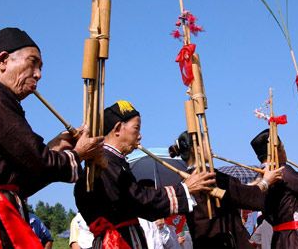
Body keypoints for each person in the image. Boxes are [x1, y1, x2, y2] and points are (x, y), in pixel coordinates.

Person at [0, 27, 105, 248]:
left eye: (40, 68)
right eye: (33, 63)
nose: (38, 74)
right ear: (3, 60)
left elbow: (22, 173)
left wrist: (56, 146)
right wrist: (78, 154)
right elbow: (37, 161)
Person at [74, 100, 216, 248]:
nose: (140, 136)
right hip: (117, 242)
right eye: (136, 128)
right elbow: (138, 199)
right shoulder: (104, 163)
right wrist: (184, 189)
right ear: (117, 129)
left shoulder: (113, 162)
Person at [168, 130, 283, 249]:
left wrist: (261, 180)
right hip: (223, 242)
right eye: (206, 143)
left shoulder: (186, 183)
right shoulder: (208, 177)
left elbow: (239, 191)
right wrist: (266, 181)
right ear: (197, 148)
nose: (211, 148)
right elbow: (245, 196)